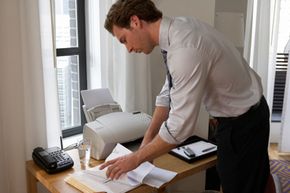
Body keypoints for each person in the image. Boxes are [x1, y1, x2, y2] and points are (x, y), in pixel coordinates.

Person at [100, 0, 275, 192]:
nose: (129, 49)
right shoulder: (177, 30)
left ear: (135, 21)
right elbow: (169, 91)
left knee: (240, 184)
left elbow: (179, 128)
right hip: (250, 111)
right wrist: (146, 142)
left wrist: (135, 159)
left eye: (124, 40)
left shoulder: (184, 49)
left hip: (242, 124)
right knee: (258, 175)